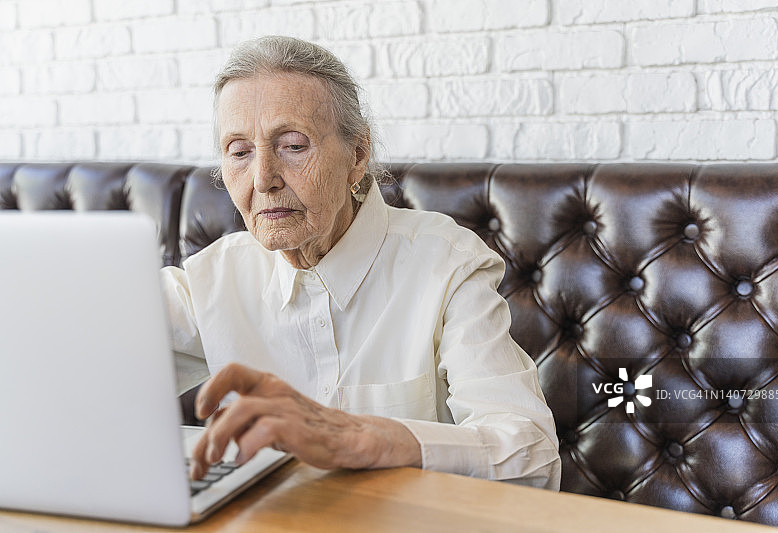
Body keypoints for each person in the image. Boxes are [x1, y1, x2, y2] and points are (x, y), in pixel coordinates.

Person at [160, 35, 561, 489]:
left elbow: (534, 456)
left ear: (357, 155)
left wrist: (369, 438)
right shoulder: (212, 281)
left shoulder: (446, 265)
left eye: (293, 146)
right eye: (240, 151)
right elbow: (80, 357)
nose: (263, 179)